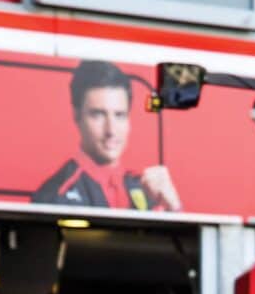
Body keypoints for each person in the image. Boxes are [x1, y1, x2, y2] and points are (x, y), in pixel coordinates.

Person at [32, 61, 181, 212]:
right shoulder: (56, 193)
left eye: (119, 115)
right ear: (77, 116)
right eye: (98, 114)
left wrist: (174, 209)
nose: (111, 130)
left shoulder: (146, 190)